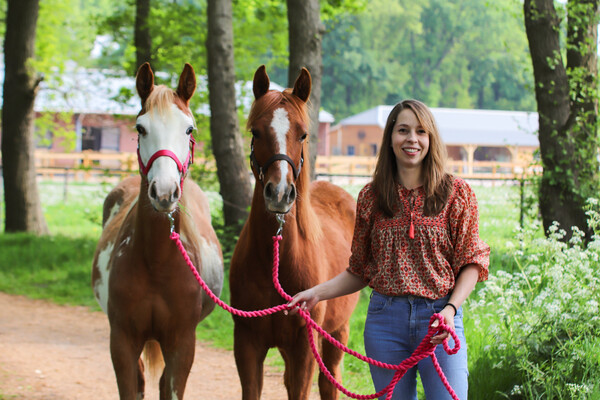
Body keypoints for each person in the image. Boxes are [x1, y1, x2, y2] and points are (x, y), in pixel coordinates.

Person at [287, 99, 489, 400]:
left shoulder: (456, 194)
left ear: (430, 139)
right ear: (391, 138)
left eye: (421, 131)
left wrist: (451, 308)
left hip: (440, 318)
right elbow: (361, 270)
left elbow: (472, 261)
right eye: (403, 130)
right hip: (385, 322)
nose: (412, 139)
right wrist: (317, 293)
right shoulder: (371, 197)